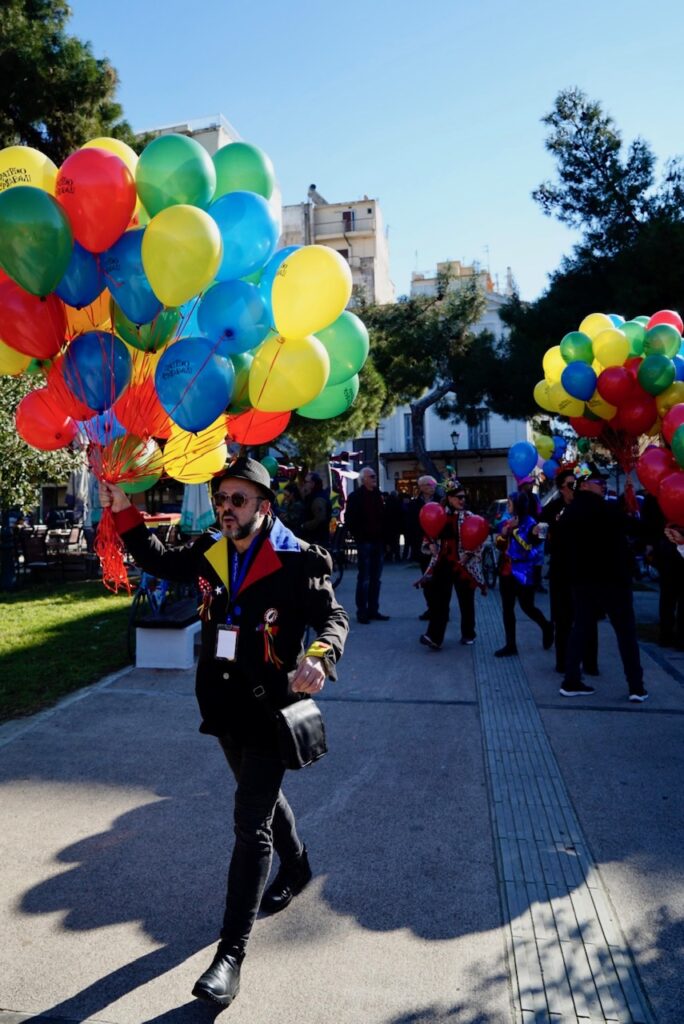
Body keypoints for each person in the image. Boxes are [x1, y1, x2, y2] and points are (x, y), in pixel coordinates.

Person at [99, 458, 349, 1008]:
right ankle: (300, 863)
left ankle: (230, 954)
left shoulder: (297, 559)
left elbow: (333, 618)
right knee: (257, 796)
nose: (226, 509)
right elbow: (160, 562)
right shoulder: (212, 549)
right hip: (221, 704)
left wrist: (318, 656)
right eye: (221, 499)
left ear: (264, 504)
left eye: (237, 500)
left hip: (269, 708)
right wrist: (125, 513)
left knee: (248, 824)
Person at [558, 469, 647, 701]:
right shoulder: (607, 509)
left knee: (580, 629)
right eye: (599, 482)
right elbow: (636, 529)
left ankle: (571, 680)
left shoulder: (568, 513)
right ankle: (636, 686)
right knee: (625, 633)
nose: (603, 485)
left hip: (583, 581)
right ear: (585, 485)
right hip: (613, 581)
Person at [542, 469, 598, 676]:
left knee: (587, 619)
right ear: (561, 488)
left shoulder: (585, 506)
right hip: (561, 571)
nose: (574, 488)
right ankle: (562, 662)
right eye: (569, 485)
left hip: (584, 570)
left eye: (576, 484)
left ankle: (590, 663)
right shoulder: (552, 509)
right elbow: (541, 531)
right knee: (563, 619)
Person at [418, 480, 486, 650]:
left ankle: (469, 633)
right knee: (439, 602)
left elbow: (479, 538)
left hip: (464, 566)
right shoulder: (439, 513)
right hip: (443, 564)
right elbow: (428, 533)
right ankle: (434, 637)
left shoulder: (469, 516)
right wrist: (430, 544)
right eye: (458, 497)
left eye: (464, 497)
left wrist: (468, 554)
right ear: (449, 497)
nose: (462, 500)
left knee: (466, 602)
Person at [494, 491, 554, 658]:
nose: (508, 506)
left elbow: (535, 547)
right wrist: (504, 534)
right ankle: (510, 644)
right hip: (506, 571)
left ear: (519, 505)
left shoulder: (533, 523)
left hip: (524, 572)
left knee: (527, 607)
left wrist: (517, 532)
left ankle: (546, 626)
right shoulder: (508, 521)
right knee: (507, 609)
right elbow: (499, 544)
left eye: (510, 503)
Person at [344, 466, 390, 624]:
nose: (375, 478)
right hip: (365, 542)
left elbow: (384, 517)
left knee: (376, 578)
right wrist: (360, 536)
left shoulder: (378, 495)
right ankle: (362, 611)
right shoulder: (355, 497)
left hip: (378, 541)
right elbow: (350, 520)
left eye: (375, 476)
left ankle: (373, 609)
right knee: (364, 578)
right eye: (372, 476)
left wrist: (386, 539)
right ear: (363, 479)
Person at [408, 475, 445, 618]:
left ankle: (442, 609)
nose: (432, 487)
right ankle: (431, 609)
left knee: (440, 580)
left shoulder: (441, 502)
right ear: (421, 487)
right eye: (429, 484)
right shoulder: (415, 504)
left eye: (434, 484)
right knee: (427, 579)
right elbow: (410, 526)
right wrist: (416, 545)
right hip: (423, 548)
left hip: (439, 547)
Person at [299, 471, 332, 548]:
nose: (303, 484)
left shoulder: (318, 499)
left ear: (312, 484)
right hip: (314, 539)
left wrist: (304, 526)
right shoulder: (313, 496)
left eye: (306, 482)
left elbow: (320, 519)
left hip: (316, 541)